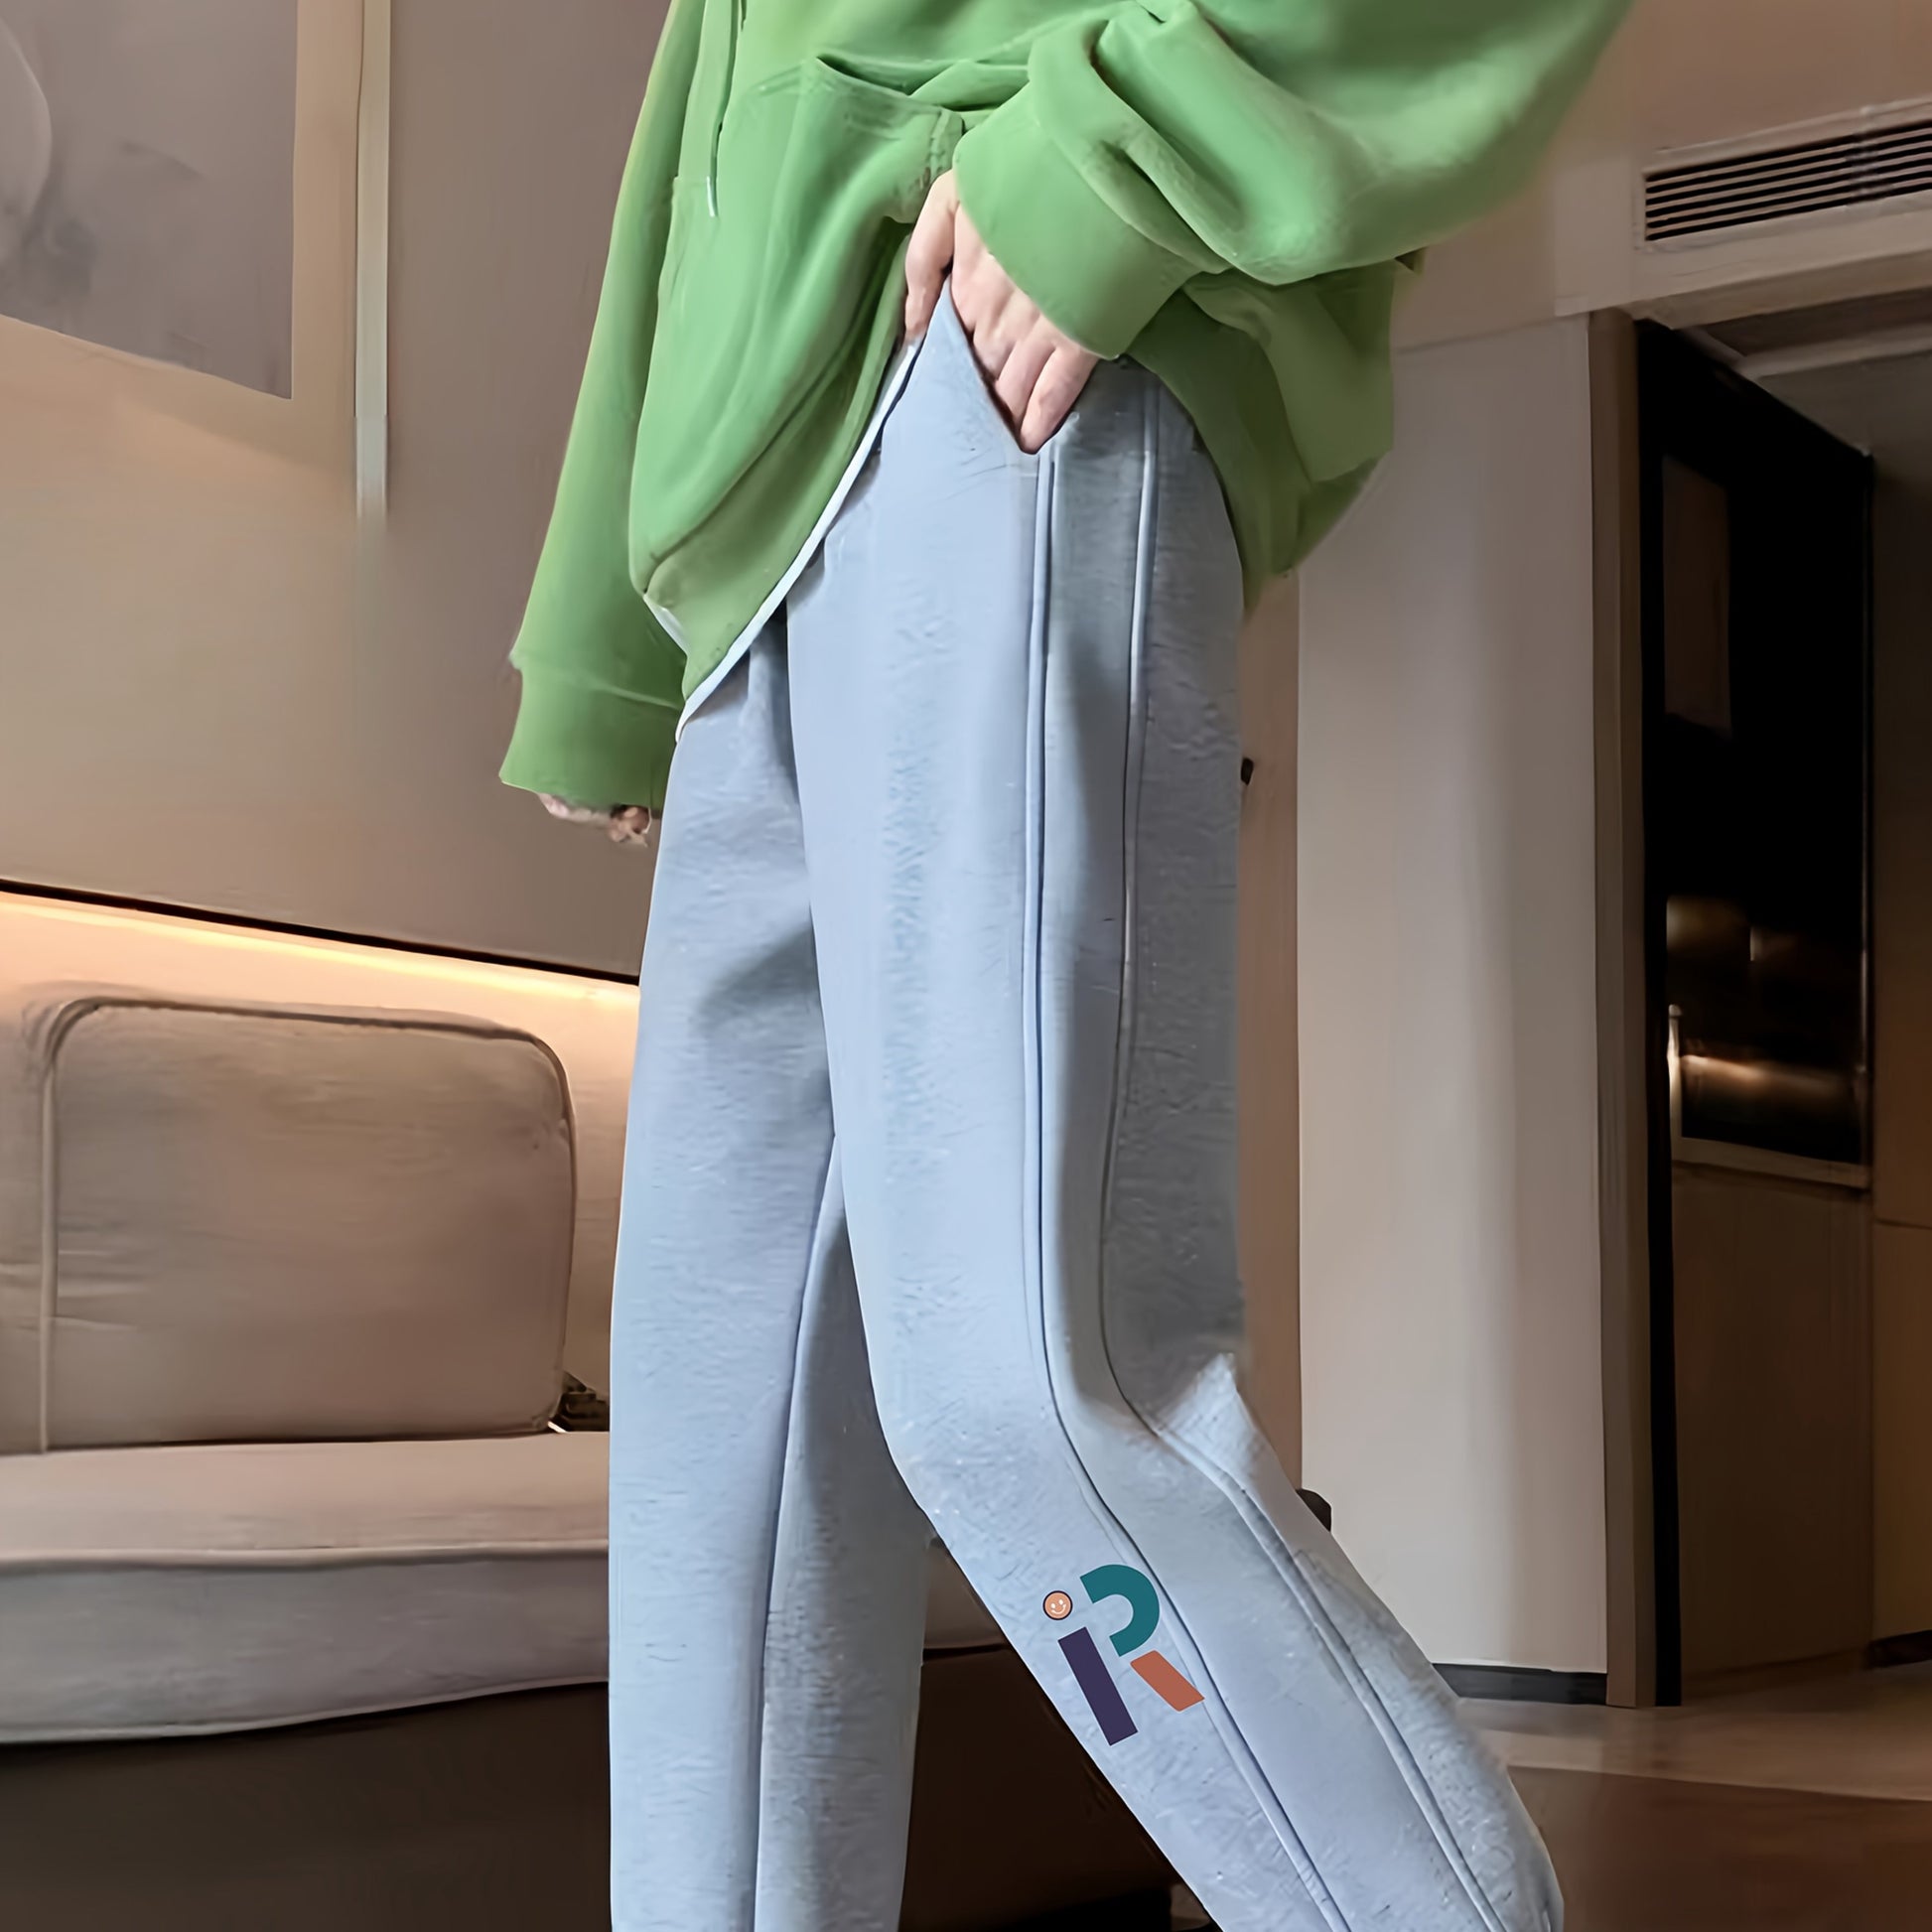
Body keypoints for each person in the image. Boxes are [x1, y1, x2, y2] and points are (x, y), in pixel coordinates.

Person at [501, 4, 1630, 1926]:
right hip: (742, 533)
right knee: (714, 1489)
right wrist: (608, 635)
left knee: (1028, 1389)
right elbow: (699, 100)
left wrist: (1112, 154)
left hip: (996, 350)